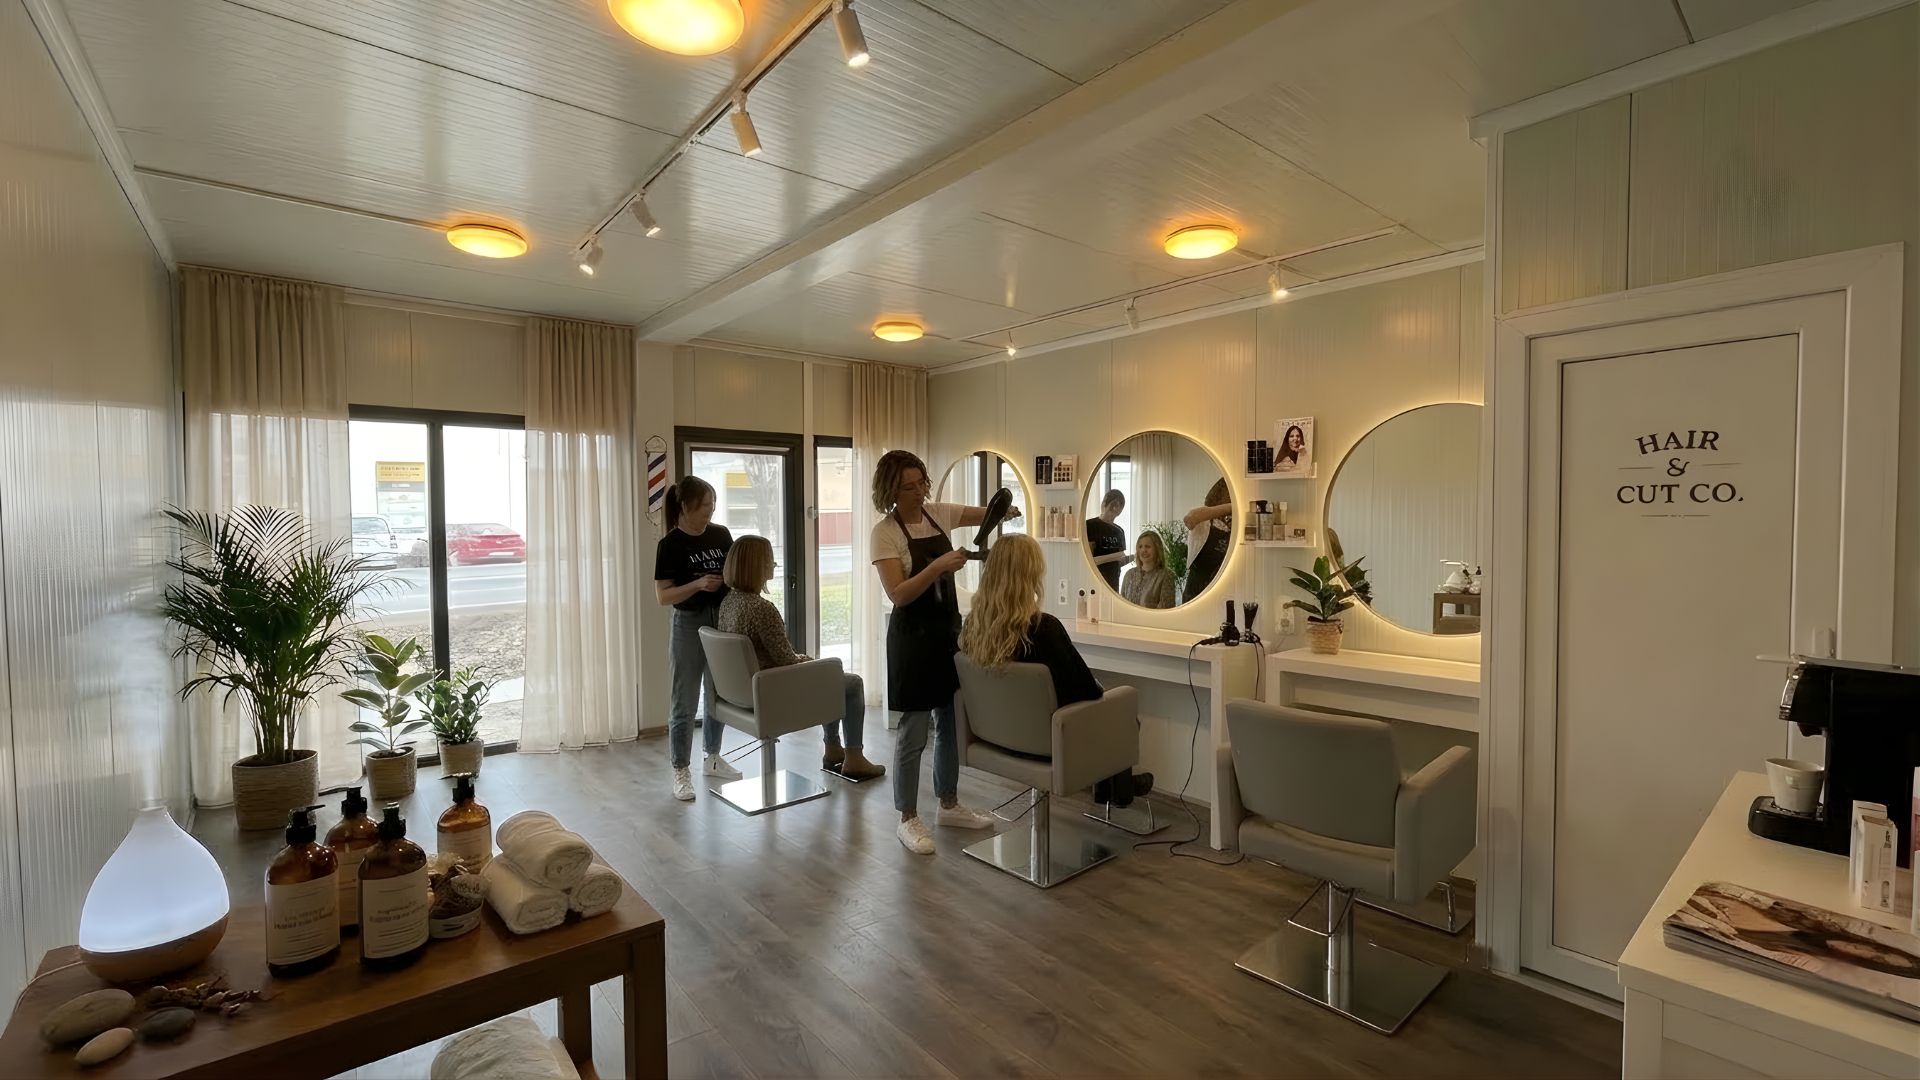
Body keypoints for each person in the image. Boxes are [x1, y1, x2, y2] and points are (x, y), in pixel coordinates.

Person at [869, 449, 1002, 855]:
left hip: (947, 632)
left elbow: (986, 513)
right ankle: (907, 818)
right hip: (911, 638)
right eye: (907, 487)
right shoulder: (884, 533)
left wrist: (1004, 511)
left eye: (921, 483)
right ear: (890, 491)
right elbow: (898, 593)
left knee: (949, 720)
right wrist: (938, 566)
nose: (918, 492)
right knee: (914, 730)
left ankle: (949, 804)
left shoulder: (938, 513)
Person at [959, 534, 1152, 806]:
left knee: (1104, 712)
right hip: (1047, 744)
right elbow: (1085, 691)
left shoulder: (973, 626)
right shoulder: (1043, 628)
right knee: (1120, 709)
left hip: (995, 738)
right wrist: (1100, 689)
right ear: (1030, 575)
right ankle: (1119, 789)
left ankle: (1113, 789)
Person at [718, 535, 885, 780]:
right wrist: (810, 661)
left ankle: (834, 750)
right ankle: (854, 757)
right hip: (772, 692)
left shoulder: (728, 603)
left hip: (742, 693)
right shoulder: (762, 609)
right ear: (756, 565)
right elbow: (786, 660)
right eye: (769, 560)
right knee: (851, 683)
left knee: (826, 672)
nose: (774, 564)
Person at [652, 475, 741, 802]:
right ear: (686, 506)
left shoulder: (720, 534)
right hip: (688, 623)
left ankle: (713, 756)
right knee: (685, 699)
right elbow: (663, 596)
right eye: (704, 505)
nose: (710, 511)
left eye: (712, 505)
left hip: (721, 620)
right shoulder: (670, 544)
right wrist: (698, 584)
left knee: (718, 693)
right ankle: (681, 770)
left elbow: (733, 572)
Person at [1181, 477, 1233, 601]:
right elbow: (1190, 519)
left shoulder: (1233, 527)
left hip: (1220, 592)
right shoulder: (1204, 522)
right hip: (1196, 592)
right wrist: (1235, 505)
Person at [1084, 489, 1130, 591]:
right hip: (1095, 582)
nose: (1115, 509)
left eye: (1119, 506)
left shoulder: (1119, 531)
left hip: (1113, 583)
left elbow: (1120, 561)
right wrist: (1114, 557)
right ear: (1104, 504)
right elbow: (1088, 561)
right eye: (1113, 505)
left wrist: (1128, 559)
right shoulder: (1090, 525)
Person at [1119, 530, 1175, 610]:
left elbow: (1165, 610)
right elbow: (1122, 605)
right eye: (1140, 547)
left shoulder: (1166, 575)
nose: (1143, 550)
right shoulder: (1129, 574)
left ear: (1157, 549)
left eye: (1147, 546)